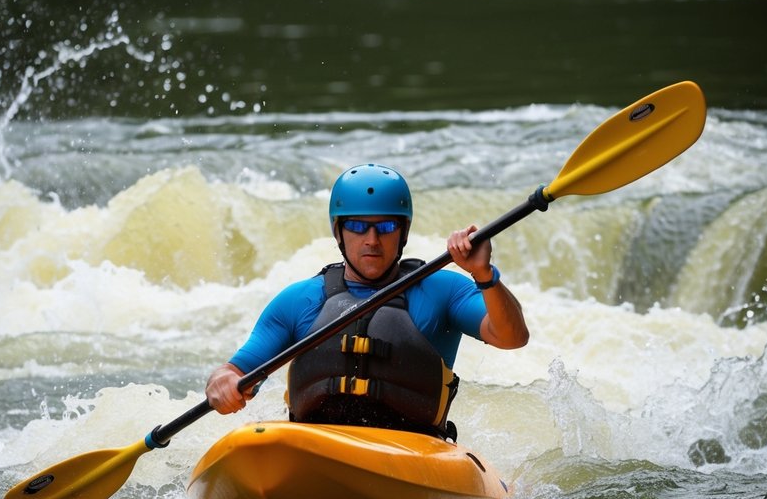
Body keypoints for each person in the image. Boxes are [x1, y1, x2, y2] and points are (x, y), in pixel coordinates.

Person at [205, 163, 528, 439]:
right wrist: (222, 383)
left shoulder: (442, 289)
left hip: (414, 449)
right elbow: (234, 371)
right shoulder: (299, 300)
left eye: (386, 227)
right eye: (358, 227)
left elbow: (512, 337)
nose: (372, 240)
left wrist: (484, 275)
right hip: (315, 444)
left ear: (403, 232)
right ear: (339, 232)